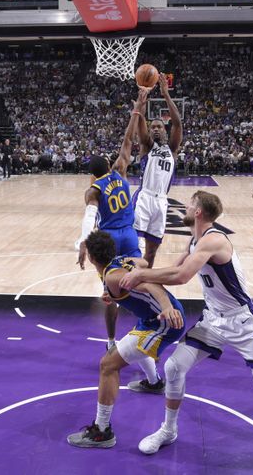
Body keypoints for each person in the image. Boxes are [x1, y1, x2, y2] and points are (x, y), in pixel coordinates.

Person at [119, 191, 253, 473]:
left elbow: (181, 277)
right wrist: (132, 281)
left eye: (189, 204)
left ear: (198, 211)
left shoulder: (214, 239)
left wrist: (141, 276)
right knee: (175, 367)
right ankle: (168, 430)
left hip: (242, 322)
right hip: (214, 320)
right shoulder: (195, 240)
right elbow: (170, 270)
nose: (185, 207)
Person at [77, 90, 164, 392]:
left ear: (91, 175)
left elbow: (89, 218)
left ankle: (113, 341)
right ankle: (149, 320)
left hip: (110, 240)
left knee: (111, 294)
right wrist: (136, 111)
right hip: (130, 234)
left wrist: (84, 243)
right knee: (139, 282)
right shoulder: (121, 171)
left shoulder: (93, 191)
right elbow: (128, 141)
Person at [67, 230, 185, 448]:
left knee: (107, 365)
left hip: (162, 321)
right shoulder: (120, 261)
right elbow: (141, 262)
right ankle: (154, 383)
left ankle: (102, 432)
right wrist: (128, 269)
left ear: (92, 258)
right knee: (133, 340)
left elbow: (150, 284)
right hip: (150, 318)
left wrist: (166, 307)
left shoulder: (113, 276)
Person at [132, 74, 183, 268]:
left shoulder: (172, 149)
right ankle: (129, 278)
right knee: (134, 245)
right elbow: (140, 124)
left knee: (152, 251)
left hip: (162, 201)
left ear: (165, 130)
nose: (155, 129)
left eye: (159, 127)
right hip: (144, 198)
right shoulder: (146, 146)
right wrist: (141, 104)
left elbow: (177, 123)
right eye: (152, 126)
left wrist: (166, 95)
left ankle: (144, 280)